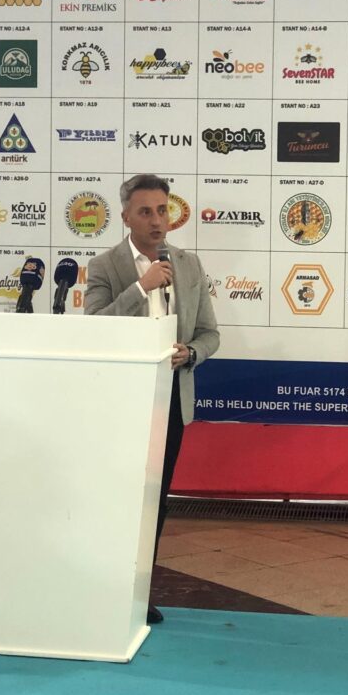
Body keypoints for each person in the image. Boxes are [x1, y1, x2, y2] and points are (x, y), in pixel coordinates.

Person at [85, 173, 219, 624]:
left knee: (155, 498)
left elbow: (210, 333)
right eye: (145, 212)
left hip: (171, 399)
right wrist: (141, 287)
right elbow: (95, 328)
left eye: (163, 210)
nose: (157, 220)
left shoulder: (189, 264)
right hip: (122, 401)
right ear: (126, 217)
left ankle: (137, 591)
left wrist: (191, 352)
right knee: (118, 497)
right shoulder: (105, 266)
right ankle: (103, 586)